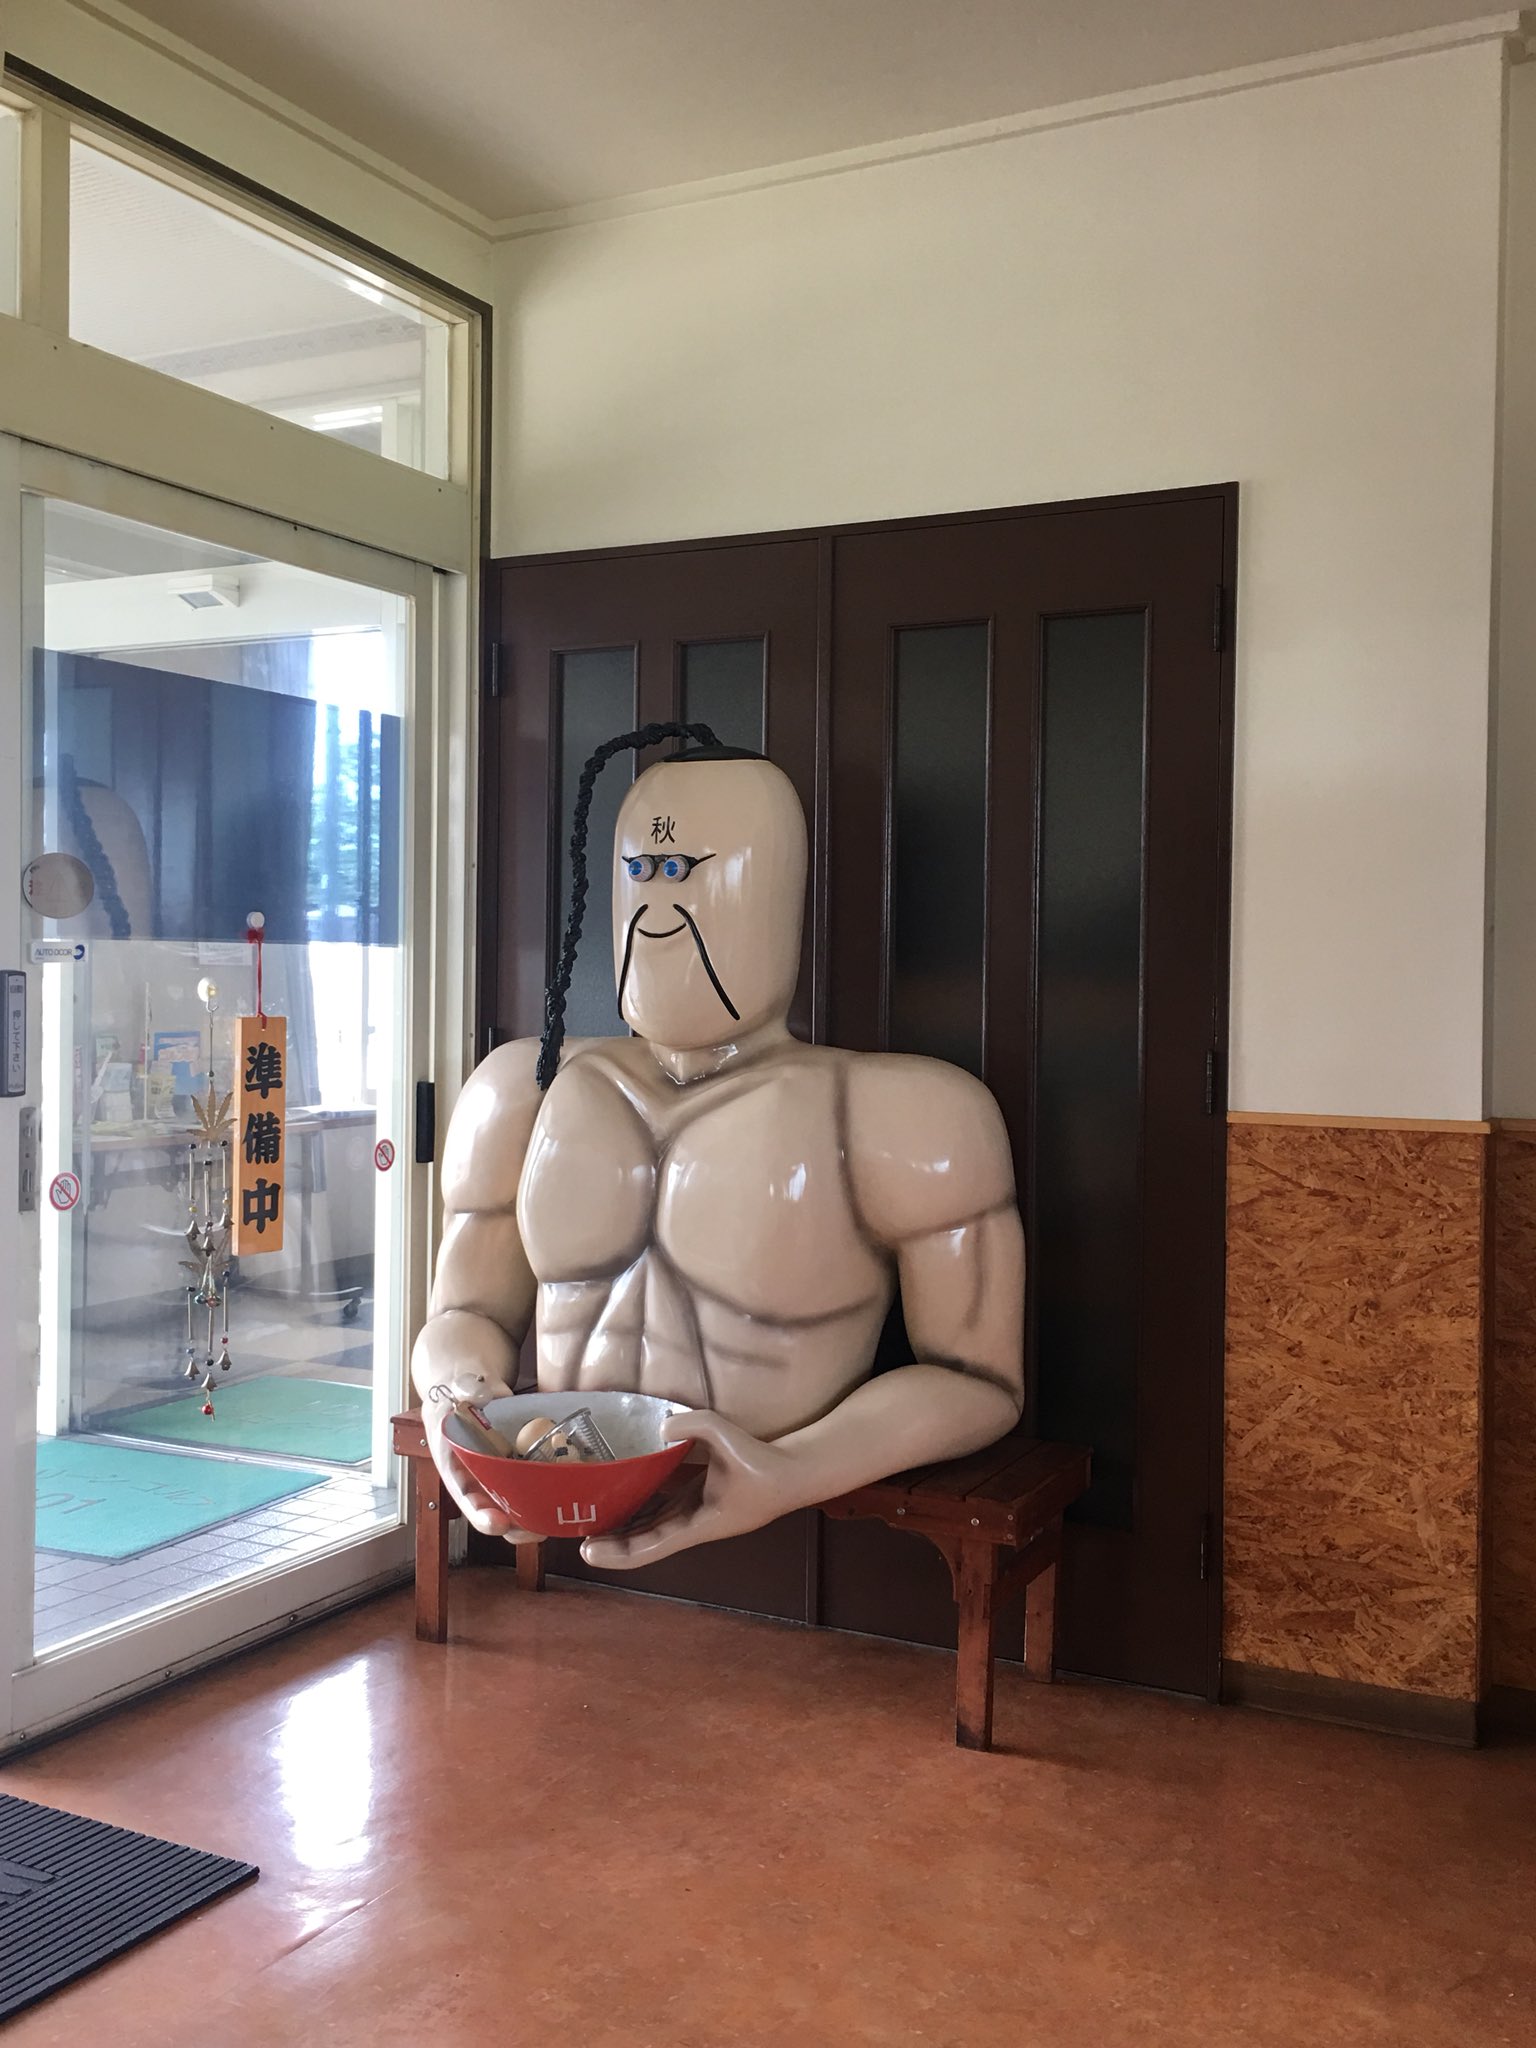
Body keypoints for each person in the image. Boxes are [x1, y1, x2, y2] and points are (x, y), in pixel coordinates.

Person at [411, 737, 1024, 1568]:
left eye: (686, 869)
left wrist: (795, 1468)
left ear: (777, 893)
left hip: (782, 1502)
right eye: (643, 870)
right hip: (562, 1469)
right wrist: (458, 1403)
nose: (661, 899)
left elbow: (981, 1382)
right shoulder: (521, 1089)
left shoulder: (904, 1114)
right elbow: (464, 1315)